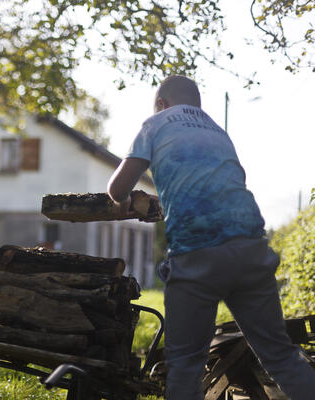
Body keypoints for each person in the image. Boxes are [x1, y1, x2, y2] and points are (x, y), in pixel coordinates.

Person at [107, 75, 315, 399]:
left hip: (197, 254)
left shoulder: (155, 124)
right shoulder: (218, 131)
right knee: (280, 354)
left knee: (186, 364)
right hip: (252, 249)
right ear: (197, 105)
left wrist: (122, 201)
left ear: (162, 104)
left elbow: (117, 188)